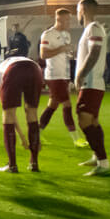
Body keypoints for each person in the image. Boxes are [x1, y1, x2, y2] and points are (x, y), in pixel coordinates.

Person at [73, 0, 110, 175]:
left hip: (91, 82)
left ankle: (103, 163)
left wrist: (80, 74)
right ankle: (98, 157)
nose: (77, 14)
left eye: (78, 10)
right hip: (92, 83)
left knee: (84, 120)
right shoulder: (90, 29)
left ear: (84, 10)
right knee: (93, 121)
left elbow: (95, 52)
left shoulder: (94, 28)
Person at [0, 55, 44, 173]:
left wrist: (22, 137)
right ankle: (34, 162)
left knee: (7, 115)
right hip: (35, 68)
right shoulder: (2, 68)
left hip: (14, 70)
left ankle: (12, 165)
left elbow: (10, 114)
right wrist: (22, 136)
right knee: (32, 112)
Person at [38, 9, 83, 144]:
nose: (70, 22)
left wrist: (71, 54)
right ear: (60, 20)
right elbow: (43, 55)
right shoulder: (48, 34)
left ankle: (37, 133)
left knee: (52, 106)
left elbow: (65, 54)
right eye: (68, 20)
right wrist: (61, 49)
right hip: (54, 75)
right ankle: (76, 139)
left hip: (64, 75)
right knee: (67, 105)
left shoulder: (66, 35)